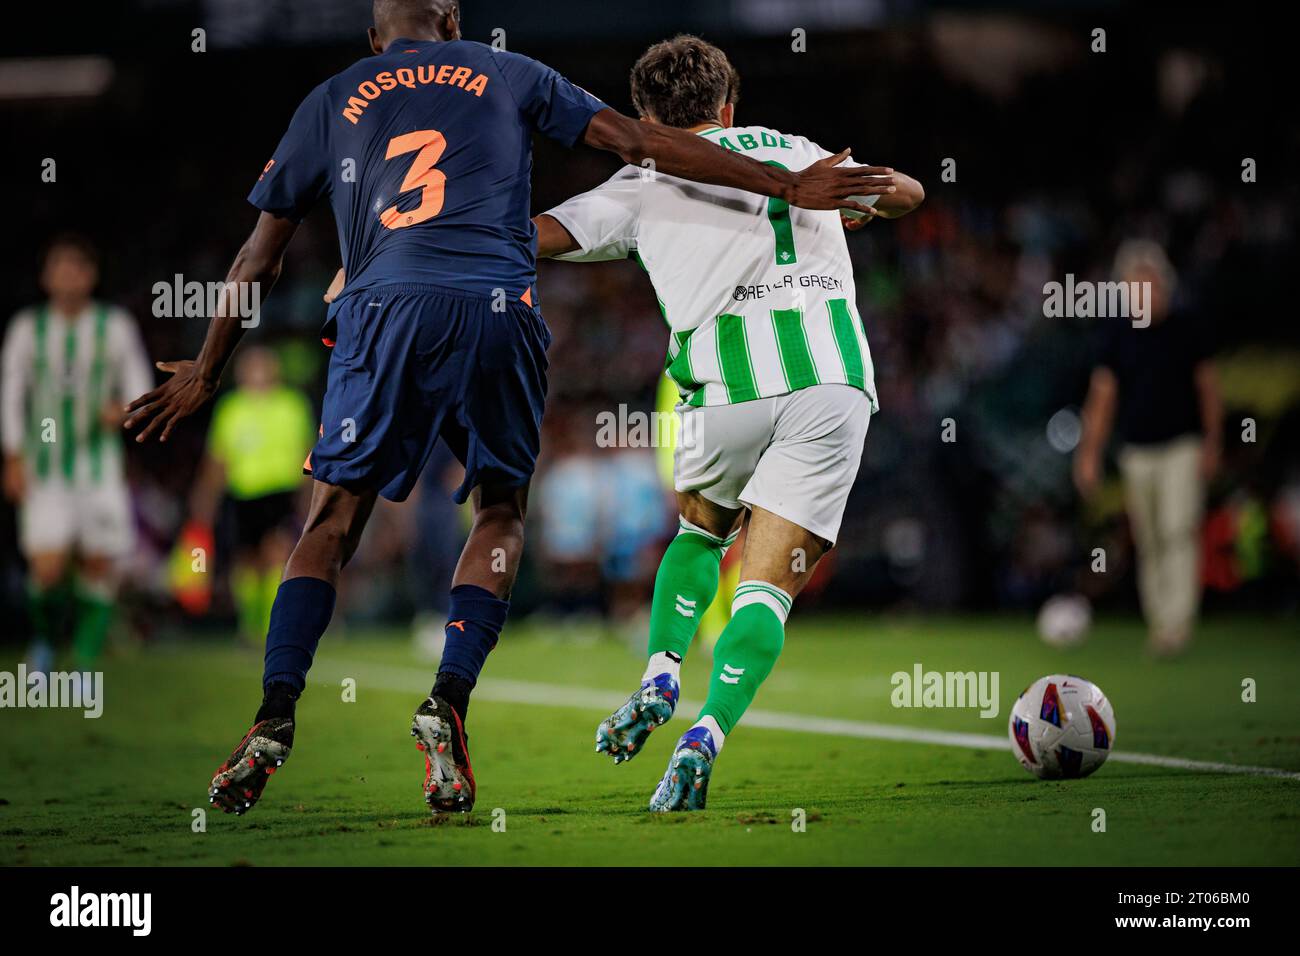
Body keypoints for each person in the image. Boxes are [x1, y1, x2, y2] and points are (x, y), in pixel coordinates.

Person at [124, 0, 892, 817]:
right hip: (505, 308)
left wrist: (208, 371)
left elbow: (259, 253)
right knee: (500, 511)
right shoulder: (509, 70)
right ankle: (448, 699)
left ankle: (274, 711)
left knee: (330, 522)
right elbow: (642, 144)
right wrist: (787, 183)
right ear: (452, 19)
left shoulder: (332, 97)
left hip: (386, 306)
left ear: (374, 38)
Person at [533, 35, 924, 809]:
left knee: (700, 535)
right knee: (767, 592)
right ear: (728, 105)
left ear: (647, 116)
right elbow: (908, 191)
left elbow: (537, 236)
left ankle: (659, 675)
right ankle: (705, 734)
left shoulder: (641, 176)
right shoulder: (800, 152)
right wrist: (862, 201)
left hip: (726, 388)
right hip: (833, 383)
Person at [1, 234, 152, 676]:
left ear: (91, 275)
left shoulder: (115, 325)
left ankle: (84, 664)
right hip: (44, 467)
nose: (68, 275)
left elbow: (139, 388)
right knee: (46, 569)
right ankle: (46, 641)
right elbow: (12, 394)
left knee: (97, 564)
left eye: (77, 267)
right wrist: (12, 456)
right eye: (59, 267)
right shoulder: (28, 328)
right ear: (47, 276)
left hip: (99, 468)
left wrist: (123, 409)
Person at [1074, 240, 1222, 656]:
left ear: (1164, 285)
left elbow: (1208, 388)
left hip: (1182, 445)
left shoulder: (1187, 327)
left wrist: (1213, 442)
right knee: (1150, 536)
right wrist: (1089, 453)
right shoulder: (1118, 334)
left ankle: (1177, 622)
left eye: (1150, 285)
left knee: (1179, 529)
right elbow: (1102, 397)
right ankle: (1160, 622)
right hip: (1137, 450)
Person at [188, 347, 315, 642]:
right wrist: (204, 498)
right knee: (245, 561)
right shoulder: (231, 409)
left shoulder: (291, 405)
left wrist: (308, 494)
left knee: (277, 555)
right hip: (243, 492)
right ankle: (249, 622)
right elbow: (218, 458)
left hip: (280, 490)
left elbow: (307, 451)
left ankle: (272, 624)